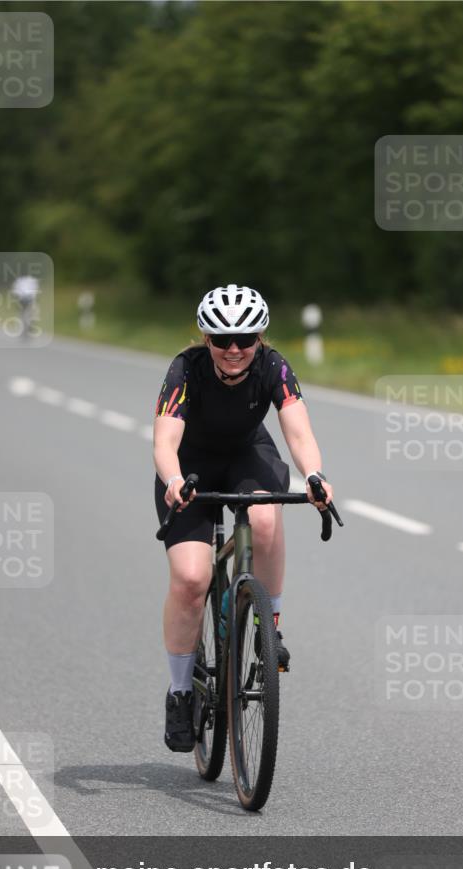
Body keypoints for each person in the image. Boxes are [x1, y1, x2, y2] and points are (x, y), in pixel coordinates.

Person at [153, 284, 334, 752]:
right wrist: (173, 480)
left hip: (247, 456)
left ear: (260, 338)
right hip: (189, 468)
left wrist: (314, 475)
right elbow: (165, 442)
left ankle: (267, 627)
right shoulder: (185, 370)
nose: (234, 349)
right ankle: (179, 692)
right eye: (222, 339)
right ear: (206, 338)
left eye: (246, 339)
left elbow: (298, 432)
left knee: (267, 519)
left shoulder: (274, 367)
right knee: (192, 580)